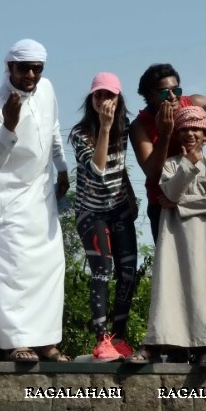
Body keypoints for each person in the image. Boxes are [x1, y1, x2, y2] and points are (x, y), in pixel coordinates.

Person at [127, 106, 206, 368]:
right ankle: (176, 343)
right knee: (175, 286)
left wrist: (179, 205)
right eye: (185, 129)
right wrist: (188, 169)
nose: (191, 134)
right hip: (176, 237)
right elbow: (169, 192)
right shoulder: (170, 164)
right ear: (178, 134)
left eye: (197, 129)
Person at [0, 39, 70, 363]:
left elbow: (54, 129)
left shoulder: (47, 89)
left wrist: (62, 168)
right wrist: (9, 126)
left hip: (41, 194)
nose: (31, 74)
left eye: (37, 68)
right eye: (25, 68)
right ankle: (17, 342)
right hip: (8, 200)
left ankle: (46, 342)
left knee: (48, 268)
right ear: (10, 68)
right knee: (13, 273)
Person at [69, 72, 139, 362]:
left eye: (109, 95)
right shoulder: (79, 134)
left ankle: (119, 337)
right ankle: (101, 339)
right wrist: (106, 128)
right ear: (92, 98)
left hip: (119, 208)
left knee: (128, 273)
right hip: (92, 211)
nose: (104, 100)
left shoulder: (125, 129)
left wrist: (132, 197)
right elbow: (98, 170)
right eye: (99, 94)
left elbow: (119, 168)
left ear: (118, 98)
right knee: (102, 271)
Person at [129, 64, 206, 244]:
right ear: (150, 95)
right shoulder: (139, 126)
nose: (172, 96)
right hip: (164, 201)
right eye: (163, 92)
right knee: (172, 265)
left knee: (205, 258)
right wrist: (165, 134)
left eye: (176, 89)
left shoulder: (195, 104)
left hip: (200, 195)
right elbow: (153, 173)